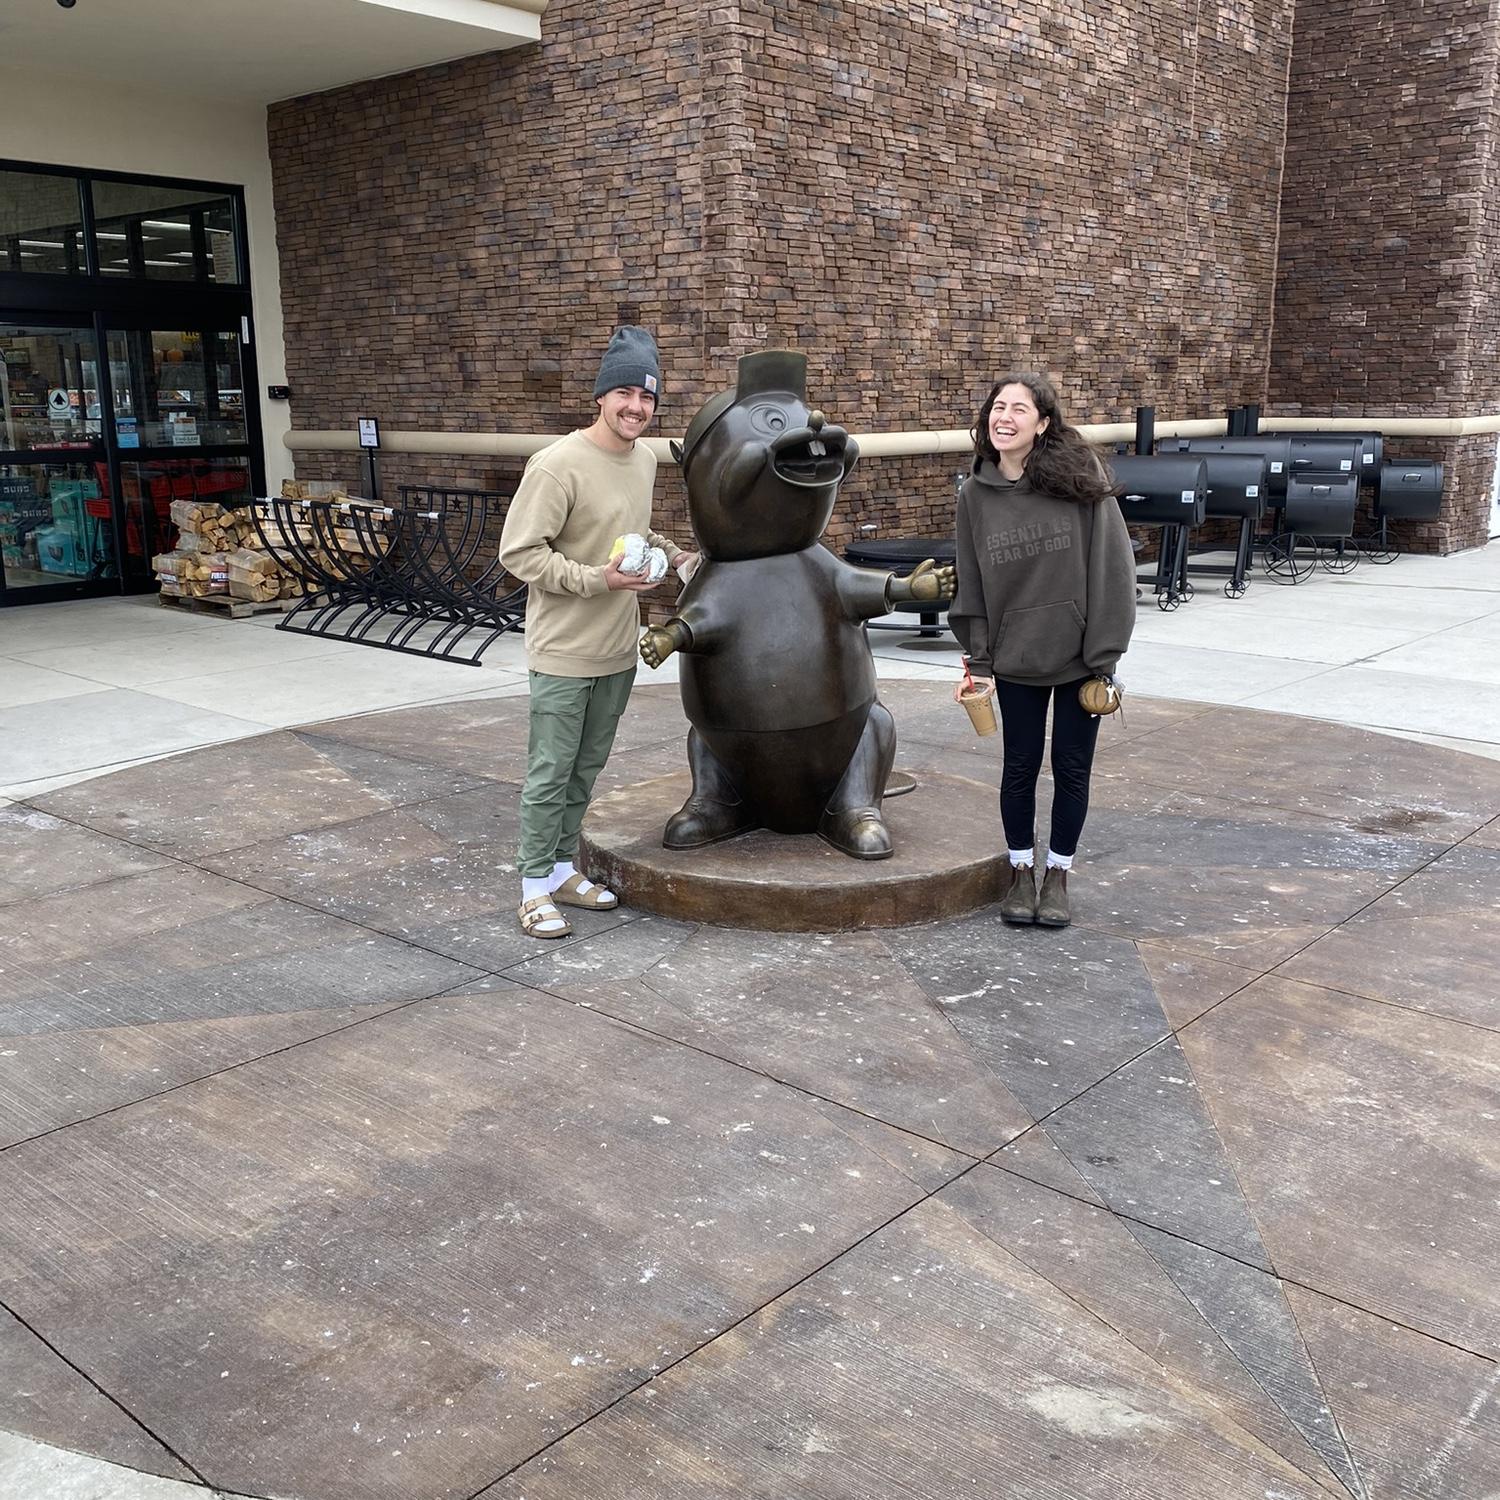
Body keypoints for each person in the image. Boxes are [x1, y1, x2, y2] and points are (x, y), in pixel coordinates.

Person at [499, 326, 697, 939]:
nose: (636, 407)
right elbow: (519, 553)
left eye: (648, 398)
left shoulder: (643, 459)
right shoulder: (557, 466)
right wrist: (597, 581)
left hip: (617, 650)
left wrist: (680, 558)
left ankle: (562, 869)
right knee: (550, 771)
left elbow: (631, 530)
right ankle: (533, 888)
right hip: (564, 650)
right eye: (625, 394)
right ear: (601, 397)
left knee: (586, 768)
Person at [949, 371, 1136, 928]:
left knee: (1072, 769)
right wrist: (979, 658)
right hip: (1016, 660)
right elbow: (972, 580)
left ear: (1043, 423)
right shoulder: (974, 496)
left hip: (1081, 660)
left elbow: (1113, 570)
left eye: (1019, 410)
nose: (1003, 418)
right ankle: (1020, 871)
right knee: (1019, 769)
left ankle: (1058, 874)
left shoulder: (1080, 482)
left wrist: (1106, 655)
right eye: (996, 407)